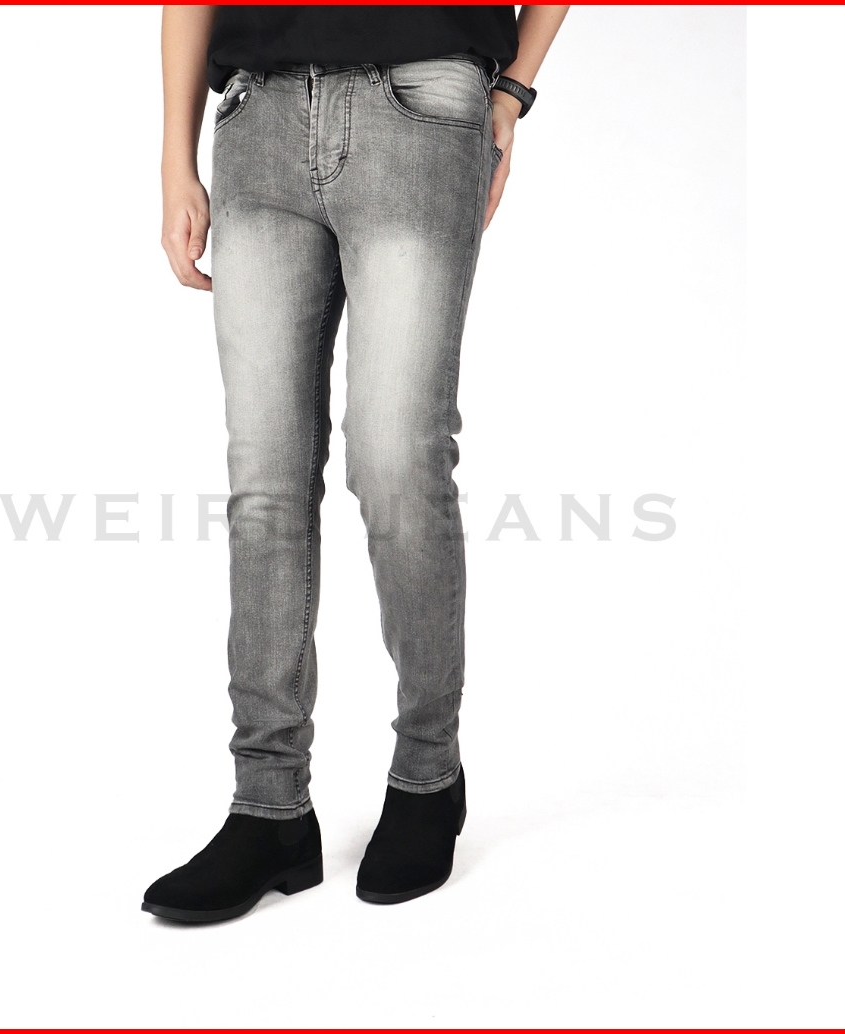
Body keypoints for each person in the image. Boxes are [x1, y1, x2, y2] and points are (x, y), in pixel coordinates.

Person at [144, 3, 570, 923]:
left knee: (397, 457)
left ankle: (428, 776)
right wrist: (176, 157)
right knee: (265, 479)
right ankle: (268, 810)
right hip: (256, 117)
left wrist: (511, 94)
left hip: (422, 104)